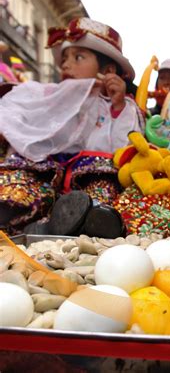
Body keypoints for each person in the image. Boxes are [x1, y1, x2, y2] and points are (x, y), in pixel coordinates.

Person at [0, 18, 144, 237]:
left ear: (108, 70)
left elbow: (123, 150)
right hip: (45, 172)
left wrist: (118, 106)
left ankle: (84, 223)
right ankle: (29, 218)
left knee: (101, 194)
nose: (66, 65)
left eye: (78, 57)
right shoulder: (50, 96)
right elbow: (19, 110)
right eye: (65, 58)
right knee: (19, 185)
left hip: (90, 177)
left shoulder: (119, 105)